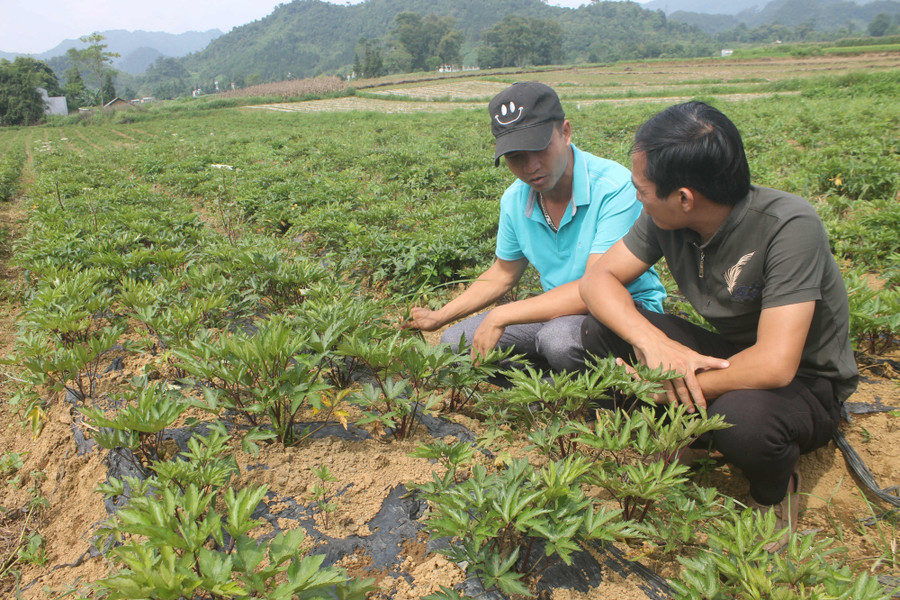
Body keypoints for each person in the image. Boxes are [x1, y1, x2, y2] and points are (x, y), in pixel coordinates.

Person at [578, 101, 858, 550]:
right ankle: (695, 438)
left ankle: (773, 488)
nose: (638, 198)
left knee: (743, 418)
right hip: (731, 357)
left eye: (643, 189)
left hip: (805, 382)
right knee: (600, 329)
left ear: (684, 197)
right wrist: (653, 343)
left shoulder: (789, 226)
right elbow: (597, 281)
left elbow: (776, 365)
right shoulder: (662, 219)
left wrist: (672, 383)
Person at [403, 81, 666, 373]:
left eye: (539, 148)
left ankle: (595, 394)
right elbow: (503, 273)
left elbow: (594, 288)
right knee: (456, 342)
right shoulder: (516, 200)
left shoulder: (614, 188)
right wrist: (439, 317)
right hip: (554, 313)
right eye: (516, 157)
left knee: (558, 339)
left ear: (565, 132)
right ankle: (546, 392)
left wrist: (502, 314)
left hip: (621, 314)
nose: (531, 167)